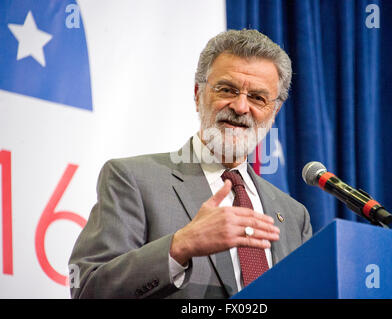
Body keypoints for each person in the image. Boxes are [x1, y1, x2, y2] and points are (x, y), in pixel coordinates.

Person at [69, 29, 312, 299]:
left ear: (274, 110)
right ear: (198, 94)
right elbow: (88, 290)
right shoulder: (132, 179)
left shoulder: (294, 215)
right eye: (227, 89)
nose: (241, 107)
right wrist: (181, 245)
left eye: (257, 97)